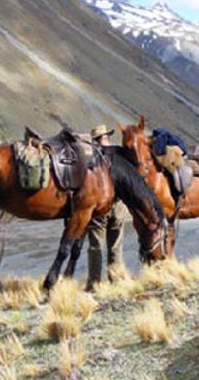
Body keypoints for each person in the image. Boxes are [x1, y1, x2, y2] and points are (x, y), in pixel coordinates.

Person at [86, 124, 126, 291]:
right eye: (105, 137)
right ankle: (113, 281)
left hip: (104, 208)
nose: (108, 139)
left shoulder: (89, 162)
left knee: (98, 246)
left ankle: (96, 284)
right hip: (111, 207)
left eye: (108, 136)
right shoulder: (115, 157)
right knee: (109, 245)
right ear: (98, 140)